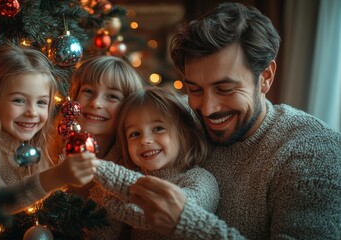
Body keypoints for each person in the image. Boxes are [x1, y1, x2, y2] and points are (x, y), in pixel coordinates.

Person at [129, 2, 341, 239]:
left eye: (225, 89)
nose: (207, 109)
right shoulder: (180, 124)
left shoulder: (314, 151)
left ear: (266, 78)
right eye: (195, 89)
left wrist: (189, 224)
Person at [0, 45, 100, 214]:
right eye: (19, 100)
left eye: (41, 102)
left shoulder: (36, 147)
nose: (32, 112)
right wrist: (55, 177)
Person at [85, 86, 219, 239]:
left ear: (184, 134)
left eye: (158, 128)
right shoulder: (132, 183)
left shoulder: (199, 178)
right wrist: (106, 198)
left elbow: (178, 212)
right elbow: (101, 231)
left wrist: (118, 205)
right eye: (135, 134)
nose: (145, 140)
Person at [51, 55, 146, 197]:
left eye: (112, 96)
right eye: (88, 91)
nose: (96, 103)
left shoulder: (134, 172)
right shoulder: (48, 151)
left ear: (128, 109)